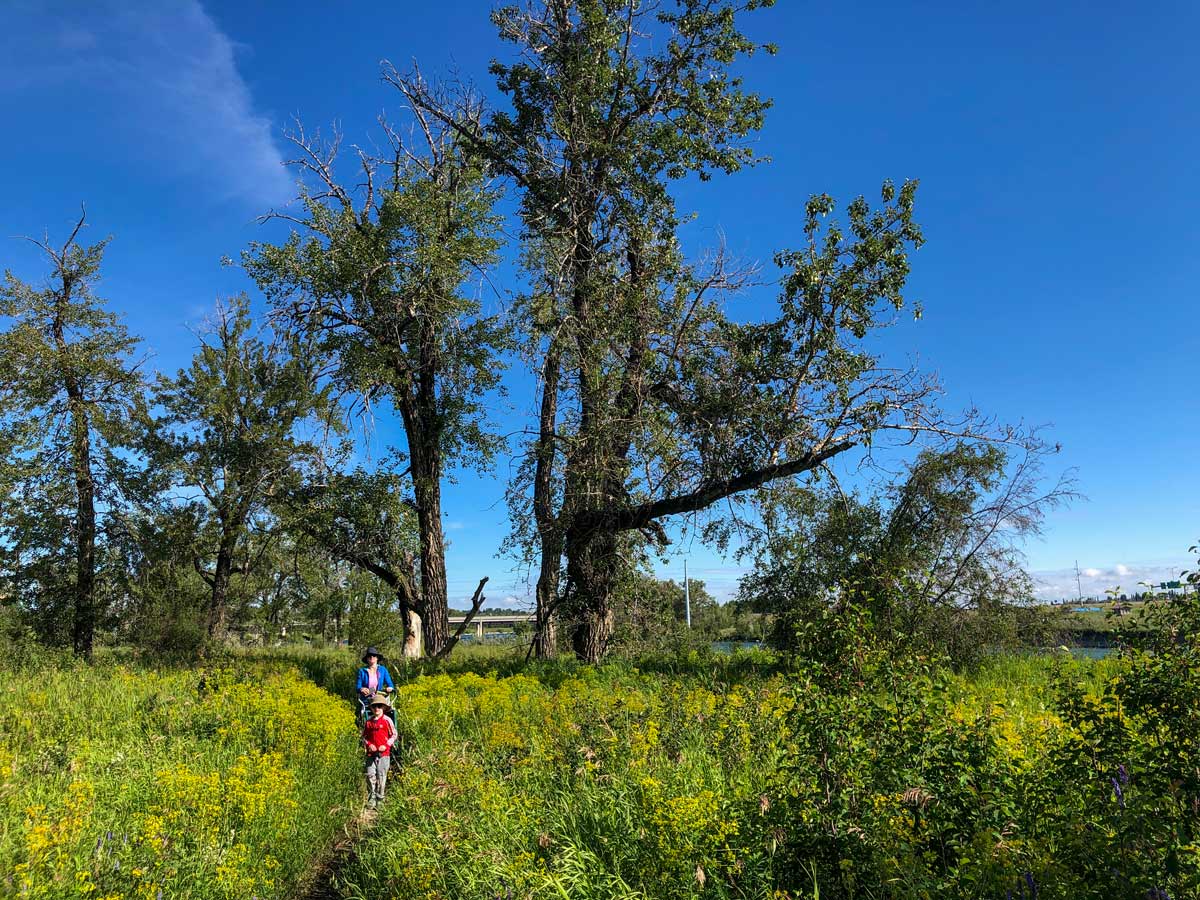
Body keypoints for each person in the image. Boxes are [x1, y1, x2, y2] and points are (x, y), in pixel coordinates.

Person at [361, 692, 398, 809]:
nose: (377, 708)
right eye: (374, 706)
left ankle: (380, 798)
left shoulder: (387, 720)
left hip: (384, 754)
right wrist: (369, 744)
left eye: (379, 706)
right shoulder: (369, 722)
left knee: (382, 775)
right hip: (371, 753)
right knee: (370, 775)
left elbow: (394, 735)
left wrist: (386, 745)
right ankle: (371, 797)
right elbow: (364, 737)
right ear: (371, 708)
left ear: (383, 707)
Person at [355, 647, 395, 722]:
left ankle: (389, 727)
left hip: (379, 697)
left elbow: (390, 684)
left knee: (387, 708)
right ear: (367, 659)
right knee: (372, 707)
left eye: (374, 656)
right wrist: (361, 689)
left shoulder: (383, 670)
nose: (372, 657)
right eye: (369, 656)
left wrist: (389, 688)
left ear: (377, 658)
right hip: (367, 699)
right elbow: (358, 687)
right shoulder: (362, 671)